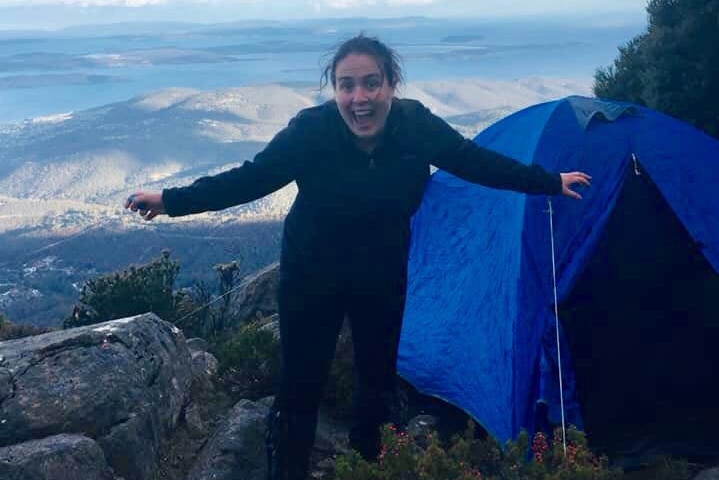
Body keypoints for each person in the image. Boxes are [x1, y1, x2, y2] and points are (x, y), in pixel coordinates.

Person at [125, 34, 591, 480]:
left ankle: (368, 467)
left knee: (377, 382)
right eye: (347, 85)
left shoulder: (416, 126)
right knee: (300, 386)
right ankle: (287, 470)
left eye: (371, 82)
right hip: (312, 274)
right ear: (335, 90)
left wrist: (549, 182)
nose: (359, 97)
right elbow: (249, 179)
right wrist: (170, 200)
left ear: (391, 85)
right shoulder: (311, 131)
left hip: (382, 272)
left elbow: (474, 160)